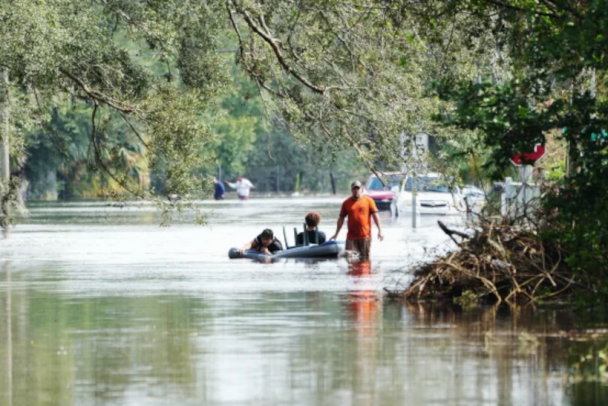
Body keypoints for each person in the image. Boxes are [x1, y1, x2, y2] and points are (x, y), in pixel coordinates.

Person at [329, 180, 384, 258]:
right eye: (354, 189)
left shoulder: (369, 201)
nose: (356, 190)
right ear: (351, 190)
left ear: (362, 189)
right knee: (349, 258)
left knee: (365, 259)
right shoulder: (346, 203)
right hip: (351, 237)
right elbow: (341, 219)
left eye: (358, 188)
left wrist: (380, 230)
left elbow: (376, 217)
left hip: (365, 236)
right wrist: (336, 234)